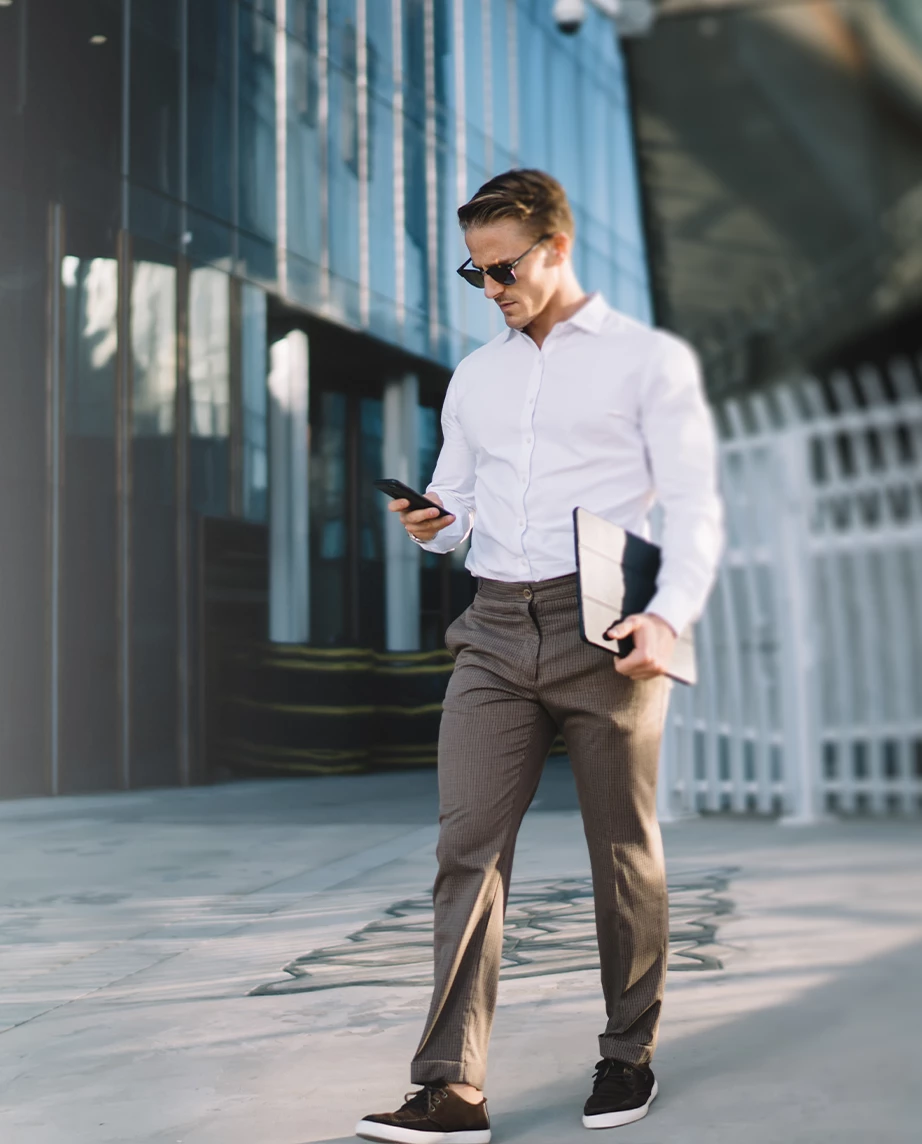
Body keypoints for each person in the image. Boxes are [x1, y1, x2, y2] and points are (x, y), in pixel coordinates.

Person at [355, 169, 723, 1143]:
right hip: (491, 628)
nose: (492, 289)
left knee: (621, 853)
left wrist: (668, 615)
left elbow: (692, 507)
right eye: (475, 274)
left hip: (605, 623)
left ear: (554, 246)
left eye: (505, 268)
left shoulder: (648, 363)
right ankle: (450, 1088)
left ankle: (625, 1053)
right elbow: (456, 505)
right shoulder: (476, 376)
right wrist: (430, 523)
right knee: (464, 850)